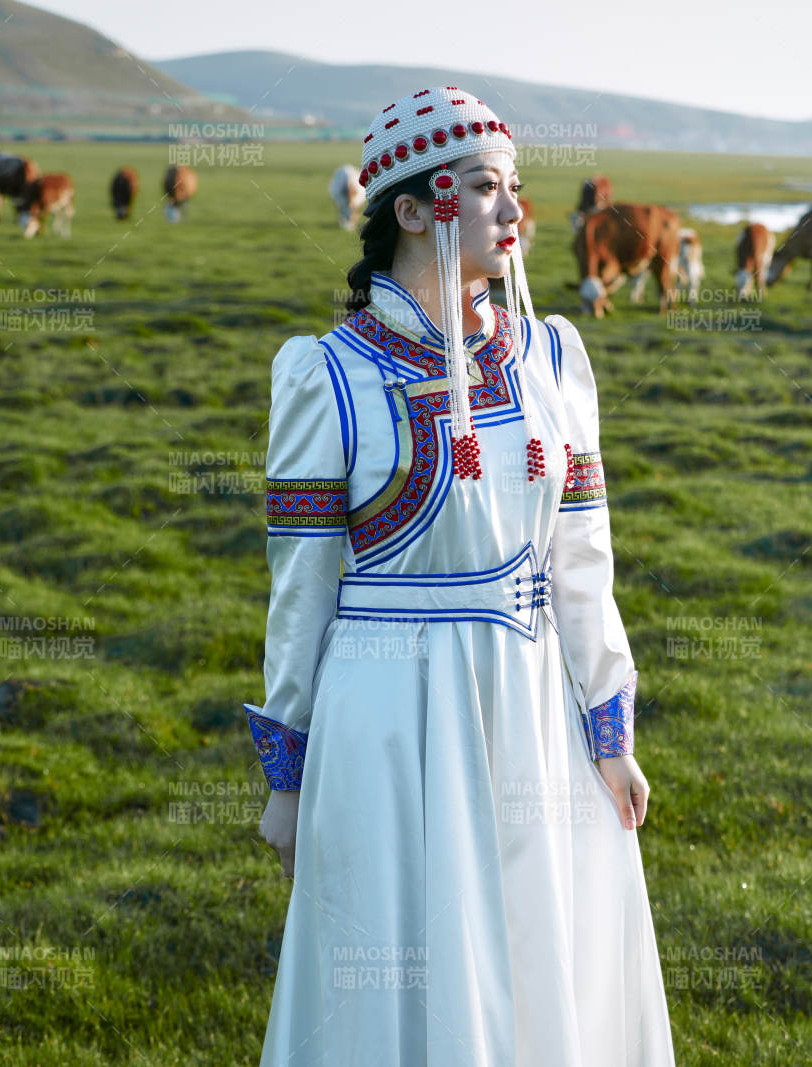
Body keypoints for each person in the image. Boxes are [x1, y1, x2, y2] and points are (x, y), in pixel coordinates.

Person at [243, 86, 675, 1066]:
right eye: (486, 188)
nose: (515, 211)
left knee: (534, 942)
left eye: (513, 186)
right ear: (411, 206)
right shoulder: (329, 372)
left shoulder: (550, 356)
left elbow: (580, 559)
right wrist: (290, 773)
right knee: (401, 952)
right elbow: (301, 587)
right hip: (390, 715)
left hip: (531, 707)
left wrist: (608, 726)